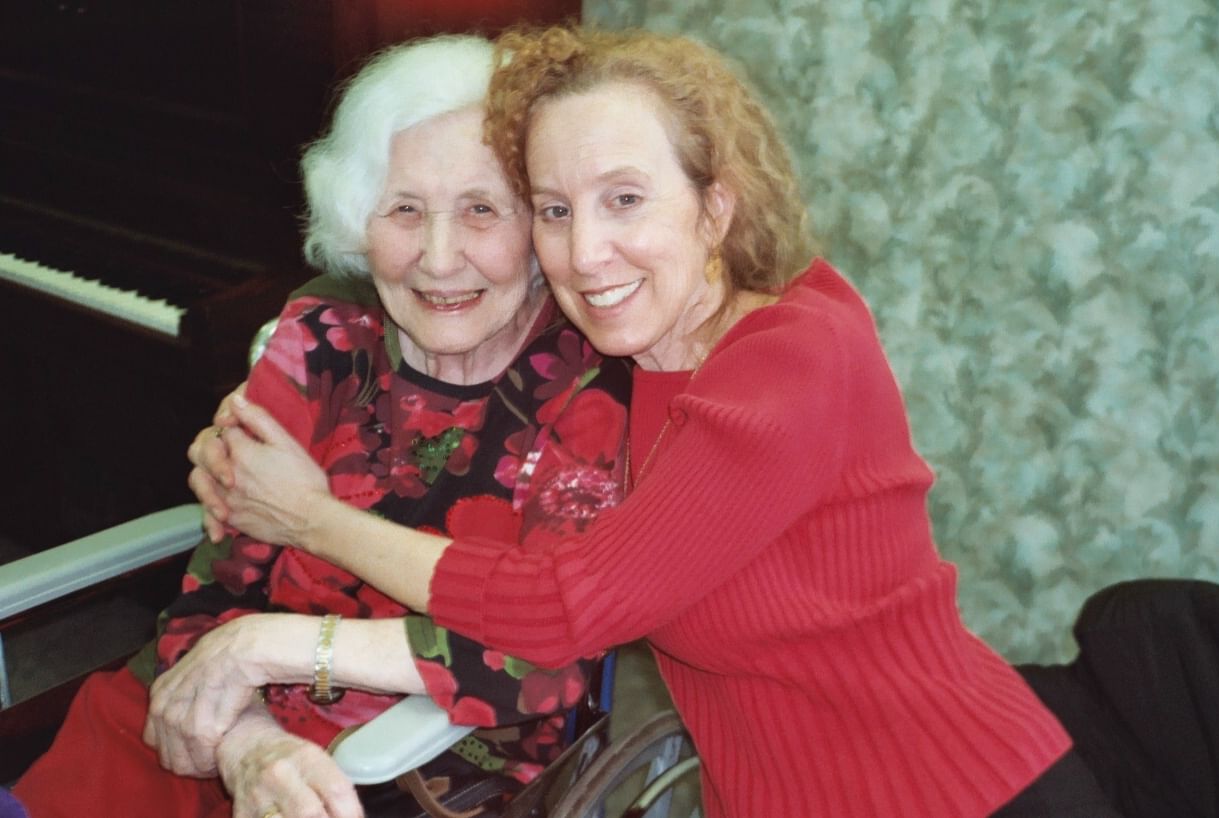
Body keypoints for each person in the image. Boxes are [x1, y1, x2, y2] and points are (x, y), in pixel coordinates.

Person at [190, 26, 1124, 818]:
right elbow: (422, 308)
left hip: (951, 790)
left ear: (715, 205)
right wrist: (259, 406)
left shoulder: (794, 354)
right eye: (553, 210)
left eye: (625, 199)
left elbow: (565, 608)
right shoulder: (627, 343)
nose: (586, 252)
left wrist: (308, 522)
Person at [13, 34, 631, 818]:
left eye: (482, 210)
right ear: (357, 218)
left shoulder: (594, 390)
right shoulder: (322, 339)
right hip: (221, 719)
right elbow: (212, 598)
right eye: (404, 209)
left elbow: (543, 663)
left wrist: (267, 651)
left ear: (542, 229)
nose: (439, 260)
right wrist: (250, 744)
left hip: (419, 764)